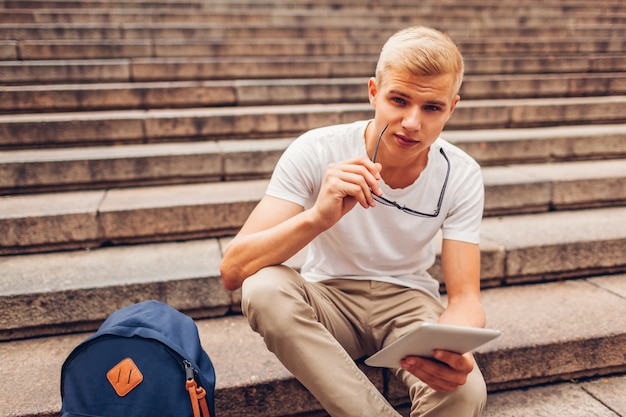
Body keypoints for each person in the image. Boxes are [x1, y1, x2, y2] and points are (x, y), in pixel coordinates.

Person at [220, 26, 487, 417]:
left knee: (464, 393)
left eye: (432, 107)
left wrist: (454, 345)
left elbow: (465, 297)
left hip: (408, 305)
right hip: (329, 299)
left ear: (452, 108)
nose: (412, 122)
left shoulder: (461, 173)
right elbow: (233, 270)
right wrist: (318, 217)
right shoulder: (317, 150)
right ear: (374, 92)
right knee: (262, 288)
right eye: (399, 100)